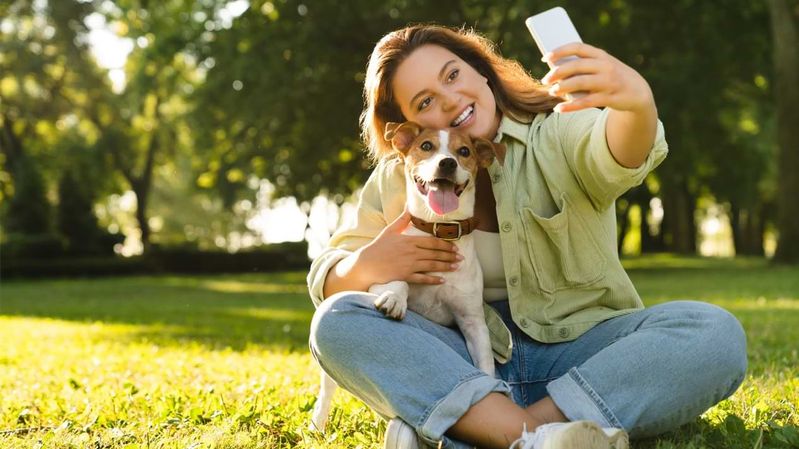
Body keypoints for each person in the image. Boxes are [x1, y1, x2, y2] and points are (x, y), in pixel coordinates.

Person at [307, 24, 747, 449]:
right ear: (406, 125)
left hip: (583, 355)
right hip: (459, 358)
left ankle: (481, 431)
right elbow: (328, 280)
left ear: (481, 70)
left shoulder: (555, 132)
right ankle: (543, 435)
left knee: (714, 334)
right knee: (337, 320)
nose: (450, 100)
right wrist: (370, 263)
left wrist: (636, 105)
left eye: (453, 75)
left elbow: (617, 152)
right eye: (425, 101)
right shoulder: (395, 179)